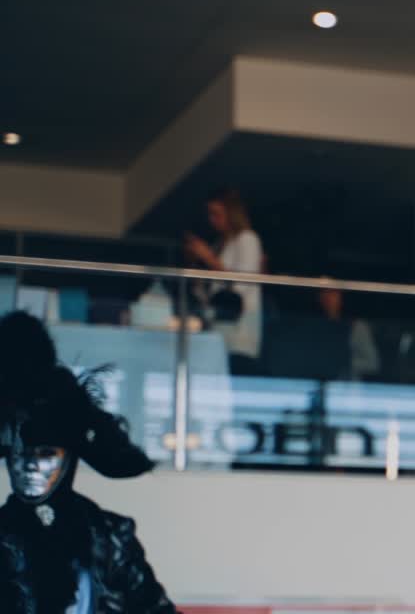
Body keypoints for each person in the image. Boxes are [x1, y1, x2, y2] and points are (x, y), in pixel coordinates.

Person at [0, 311, 177, 612]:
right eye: (19, 454)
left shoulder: (111, 538)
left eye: (46, 454)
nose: (30, 466)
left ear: (70, 458)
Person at [184, 187, 264, 373]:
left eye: (217, 214)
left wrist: (210, 259)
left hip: (240, 336)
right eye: (210, 214)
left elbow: (242, 284)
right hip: (217, 334)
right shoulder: (220, 245)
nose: (212, 220)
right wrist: (196, 265)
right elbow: (209, 296)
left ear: (232, 214)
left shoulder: (248, 239)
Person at [316, 286, 380, 380]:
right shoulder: (312, 326)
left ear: (341, 296)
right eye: (323, 292)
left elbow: (373, 363)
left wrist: (344, 361)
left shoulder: (356, 326)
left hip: (347, 390)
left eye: (332, 293)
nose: (327, 297)